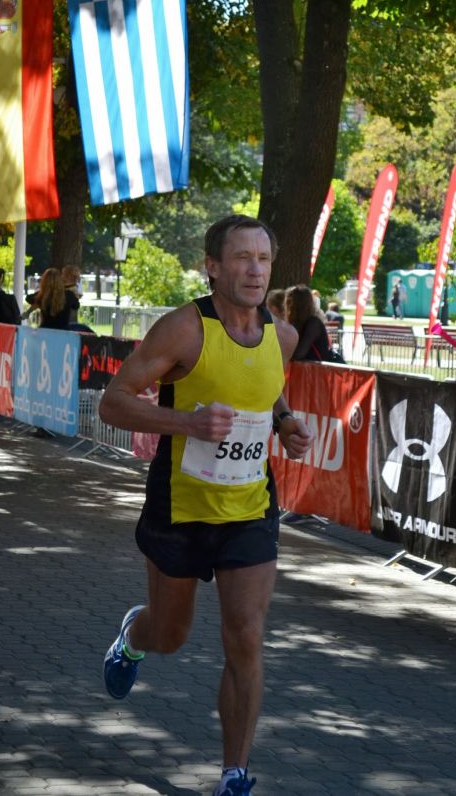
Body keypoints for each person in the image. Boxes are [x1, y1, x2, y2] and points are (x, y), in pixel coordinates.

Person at [98, 215, 314, 796]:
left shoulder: (282, 336)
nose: (255, 270)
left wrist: (285, 421)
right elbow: (113, 403)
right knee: (170, 634)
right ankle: (133, 637)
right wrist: (186, 422)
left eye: (263, 259)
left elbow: (266, 388)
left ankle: (234, 775)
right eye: (242, 258)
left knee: (245, 635)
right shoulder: (183, 330)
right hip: (181, 507)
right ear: (212, 267)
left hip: (249, 508)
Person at [285, 283, 335, 362]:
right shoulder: (296, 323)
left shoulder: (313, 323)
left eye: (288, 302)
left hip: (319, 368)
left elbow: (298, 354)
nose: (286, 306)